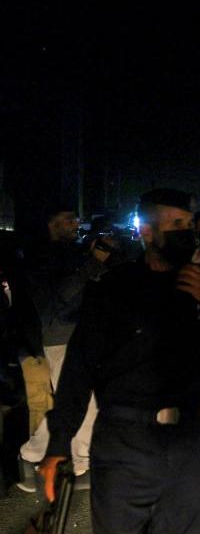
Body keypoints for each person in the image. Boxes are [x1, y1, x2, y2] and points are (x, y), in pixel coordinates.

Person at [39, 188, 200, 534]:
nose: (187, 232)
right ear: (148, 233)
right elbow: (78, 369)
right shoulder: (114, 288)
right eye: (176, 225)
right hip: (123, 443)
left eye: (188, 224)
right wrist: (59, 443)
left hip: (187, 442)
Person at [14, 203, 112, 493]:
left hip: (81, 334)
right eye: (68, 219)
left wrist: (98, 261)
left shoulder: (71, 252)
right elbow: (57, 300)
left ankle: (32, 455)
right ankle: (80, 463)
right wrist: (92, 263)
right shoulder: (39, 256)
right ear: (50, 223)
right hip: (59, 337)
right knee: (83, 401)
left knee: (75, 401)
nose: (75, 224)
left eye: (75, 219)